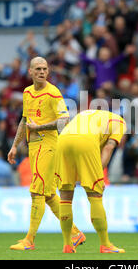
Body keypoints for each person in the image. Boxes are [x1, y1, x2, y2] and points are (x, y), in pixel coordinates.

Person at [7, 57, 85, 251]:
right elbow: (25, 120)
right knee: (49, 195)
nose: (42, 72)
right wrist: (15, 145)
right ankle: (75, 233)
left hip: (48, 145)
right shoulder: (27, 93)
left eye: (45, 69)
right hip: (34, 147)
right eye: (38, 69)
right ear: (30, 71)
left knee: (36, 192)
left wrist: (40, 126)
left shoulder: (53, 92)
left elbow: (64, 120)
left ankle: (29, 240)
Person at [54, 109, 127, 253]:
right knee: (95, 195)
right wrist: (98, 175)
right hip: (85, 140)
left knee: (65, 197)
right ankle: (105, 244)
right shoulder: (121, 123)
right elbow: (108, 147)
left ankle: (67, 245)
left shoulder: (89, 114)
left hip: (62, 140)